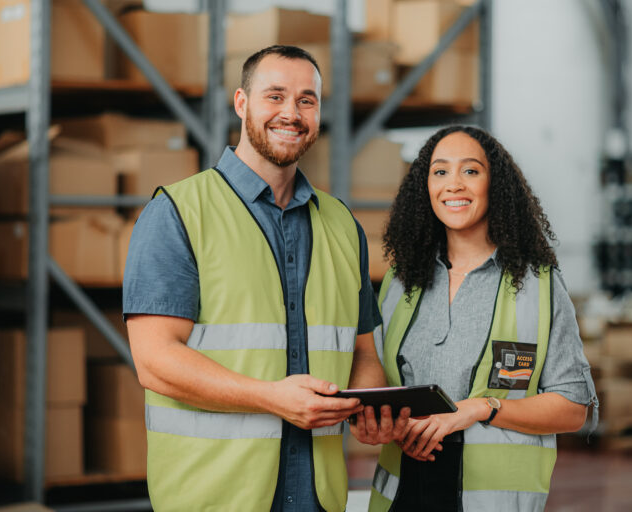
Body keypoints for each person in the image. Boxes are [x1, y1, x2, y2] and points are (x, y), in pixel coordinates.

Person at [123, 45, 403, 512]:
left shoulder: (341, 224)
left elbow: (362, 352)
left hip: (318, 495)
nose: (291, 114)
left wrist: (368, 407)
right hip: (215, 495)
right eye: (275, 96)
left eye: (306, 101)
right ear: (241, 103)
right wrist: (272, 398)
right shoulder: (177, 213)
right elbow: (154, 360)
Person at [367, 125, 599, 511]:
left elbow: (573, 407)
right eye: (440, 172)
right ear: (424, 188)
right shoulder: (400, 280)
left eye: (470, 171)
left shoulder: (538, 285)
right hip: (402, 495)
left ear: (496, 185)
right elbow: (376, 385)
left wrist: (481, 407)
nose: (453, 184)